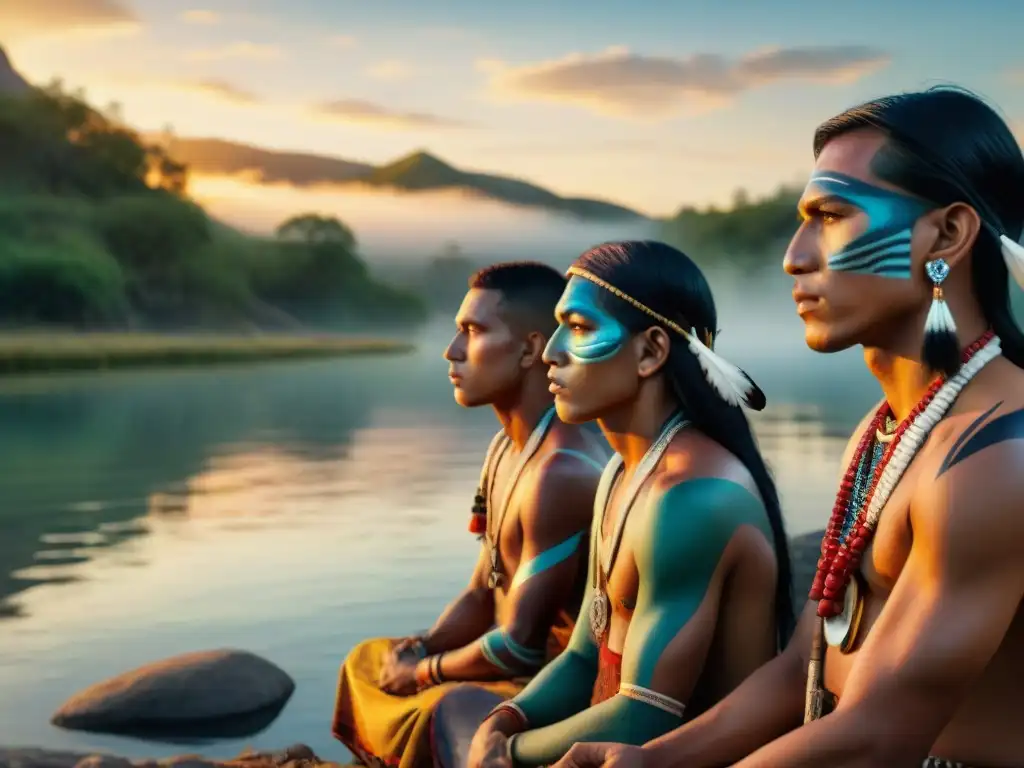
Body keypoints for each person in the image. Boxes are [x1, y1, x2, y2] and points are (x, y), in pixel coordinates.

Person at [551, 86, 1024, 768]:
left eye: (831, 216)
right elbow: (804, 659)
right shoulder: (887, 430)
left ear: (947, 234)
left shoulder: (996, 453)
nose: (794, 257)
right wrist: (651, 761)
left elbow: (878, 736)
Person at [466, 240, 795, 768]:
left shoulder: (692, 498)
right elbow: (581, 656)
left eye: (576, 328)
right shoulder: (623, 469)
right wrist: (506, 720)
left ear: (650, 352)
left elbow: (646, 714)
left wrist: (508, 753)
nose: (550, 351)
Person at [332, 261, 609, 768]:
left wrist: (423, 672)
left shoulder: (562, 471)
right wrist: (420, 647)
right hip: (501, 663)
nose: (451, 351)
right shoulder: (505, 447)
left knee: (448, 705)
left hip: (555, 687)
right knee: (368, 660)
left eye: (473, 331)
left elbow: (522, 650)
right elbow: (484, 590)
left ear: (530, 350)